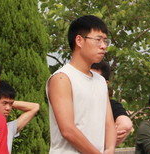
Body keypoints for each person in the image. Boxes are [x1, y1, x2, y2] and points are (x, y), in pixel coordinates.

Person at [47, 15, 116, 154]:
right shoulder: (62, 78)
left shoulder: (100, 81)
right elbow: (68, 130)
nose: (103, 46)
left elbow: (109, 123)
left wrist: (110, 149)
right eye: (98, 40)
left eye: (105, 41)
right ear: (79, 40)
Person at [91, 60, 134, 146]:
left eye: (94, 79)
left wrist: (108, 139)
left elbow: (125, 125)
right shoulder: (70, 101)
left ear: (105, 83)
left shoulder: (111, 105)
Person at [0, 81, 40, 153]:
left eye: (10, 104)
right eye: (4, 103)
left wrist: (10, 102)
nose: (8, 108)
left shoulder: (9, 128)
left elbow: (35, 107)